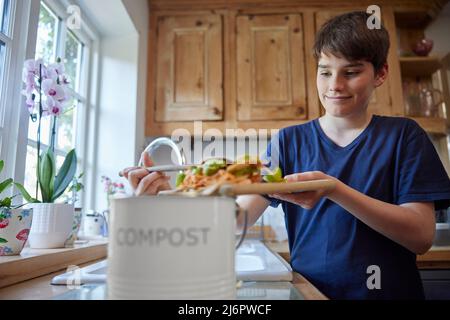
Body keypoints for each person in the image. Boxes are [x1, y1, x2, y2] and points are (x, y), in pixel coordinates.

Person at [120, 11, 450, 299]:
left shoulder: (405, 136)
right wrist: (171, 193)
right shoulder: (288, 142)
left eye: (350, 72)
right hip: (310, 293)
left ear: (380, 74)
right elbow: (236, 220)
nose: (334, 85)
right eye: (324, 71)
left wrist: (334, 189)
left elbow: (420, 237)